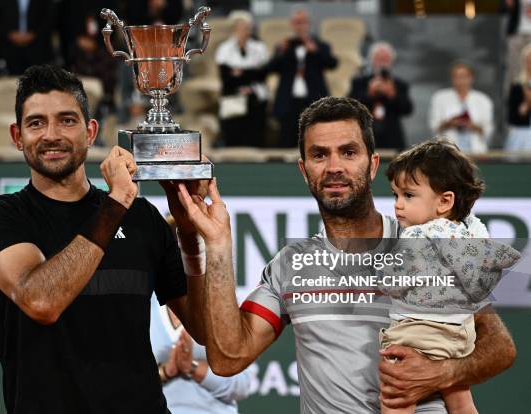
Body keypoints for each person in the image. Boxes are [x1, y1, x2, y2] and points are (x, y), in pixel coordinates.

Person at [171, 96, 517, 413]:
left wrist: (442, 373)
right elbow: (229, 357)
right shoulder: (290, 265)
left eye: (348, 152)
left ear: (372, 165)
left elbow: (499, 347)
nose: (334, 166)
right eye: (320, 154)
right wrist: (217, 243)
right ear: (304, 170)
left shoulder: (424, 244)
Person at [0, 65, 206, 413]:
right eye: (36, 123)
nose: (51, 135)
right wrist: (116, 203)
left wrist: (191, 229)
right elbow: (41, 301)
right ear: (17, 136)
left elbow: (204, 330)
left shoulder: (142, 218)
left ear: (90, 131)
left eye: (67, 120)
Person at [380, 140, 521, 414]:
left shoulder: (417, 236)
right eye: (395, 195)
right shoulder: (471, 229)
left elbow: (393, 281)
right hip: (460, 335)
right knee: (460, 398)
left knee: (395, 396)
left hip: (419, 332)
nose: (398, 205)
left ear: (445, 201)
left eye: (408, 196)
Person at [151, 295, 251, 414]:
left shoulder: (220, 301)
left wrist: (192, 367)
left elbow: (241, 386)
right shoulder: (142, 303)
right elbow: (130, 383)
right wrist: (167, 372)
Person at [266, 8, 338, 147]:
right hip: (288, 102)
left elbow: (332, 63)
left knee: (316, 142)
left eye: (303, 22)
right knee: (286, 141)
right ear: (292, 25)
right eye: (297, 22)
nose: (300, 26)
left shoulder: (320, 45)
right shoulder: (283, 46)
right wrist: (281, 52)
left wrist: (315, 51)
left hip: (313, 101)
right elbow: (270, 68)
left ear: (308, 24)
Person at [215, 10, 269, 147]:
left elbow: (262, 74)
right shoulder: (224, 49)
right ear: (233, 29)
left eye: (246, 27)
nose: (243, 31)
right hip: (233, 94)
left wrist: (240, 73)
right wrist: (247, 75)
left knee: (255, 131)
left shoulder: (259, 47)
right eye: (240, 27)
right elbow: (226, 76)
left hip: (255, 93)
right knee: (233, 134)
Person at [349, 41, 413, 150]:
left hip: (392, 136)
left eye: (386, 59)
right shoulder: (360, 82)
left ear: (391, 62)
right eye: (379, 59)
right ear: (372, 60)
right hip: (366, 133)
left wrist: (392, 94)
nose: (382, 63)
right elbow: (351, 106)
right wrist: (369, 93)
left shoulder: (399, 84)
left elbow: (407, 109)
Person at [429, 62, 494, 154]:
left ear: (471, 78)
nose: (460, 80)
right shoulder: (440, 98)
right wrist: (449, 123)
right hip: (447, 152)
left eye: (464, 76)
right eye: (457, 77)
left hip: (476, 151)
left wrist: (473, 126)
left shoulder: (483, 99)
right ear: (452, 79)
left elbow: (488, 129)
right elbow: (434, 127)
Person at [0, 0, 56, 75]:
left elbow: (49, 17)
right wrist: (10, 35)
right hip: (8, 49)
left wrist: (33, 35)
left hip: (38, 49)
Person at [506, 43, 531, 151]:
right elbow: (511, 117)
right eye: (528, 61)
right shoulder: (517, 86)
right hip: (521, 135)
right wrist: (521, 112)